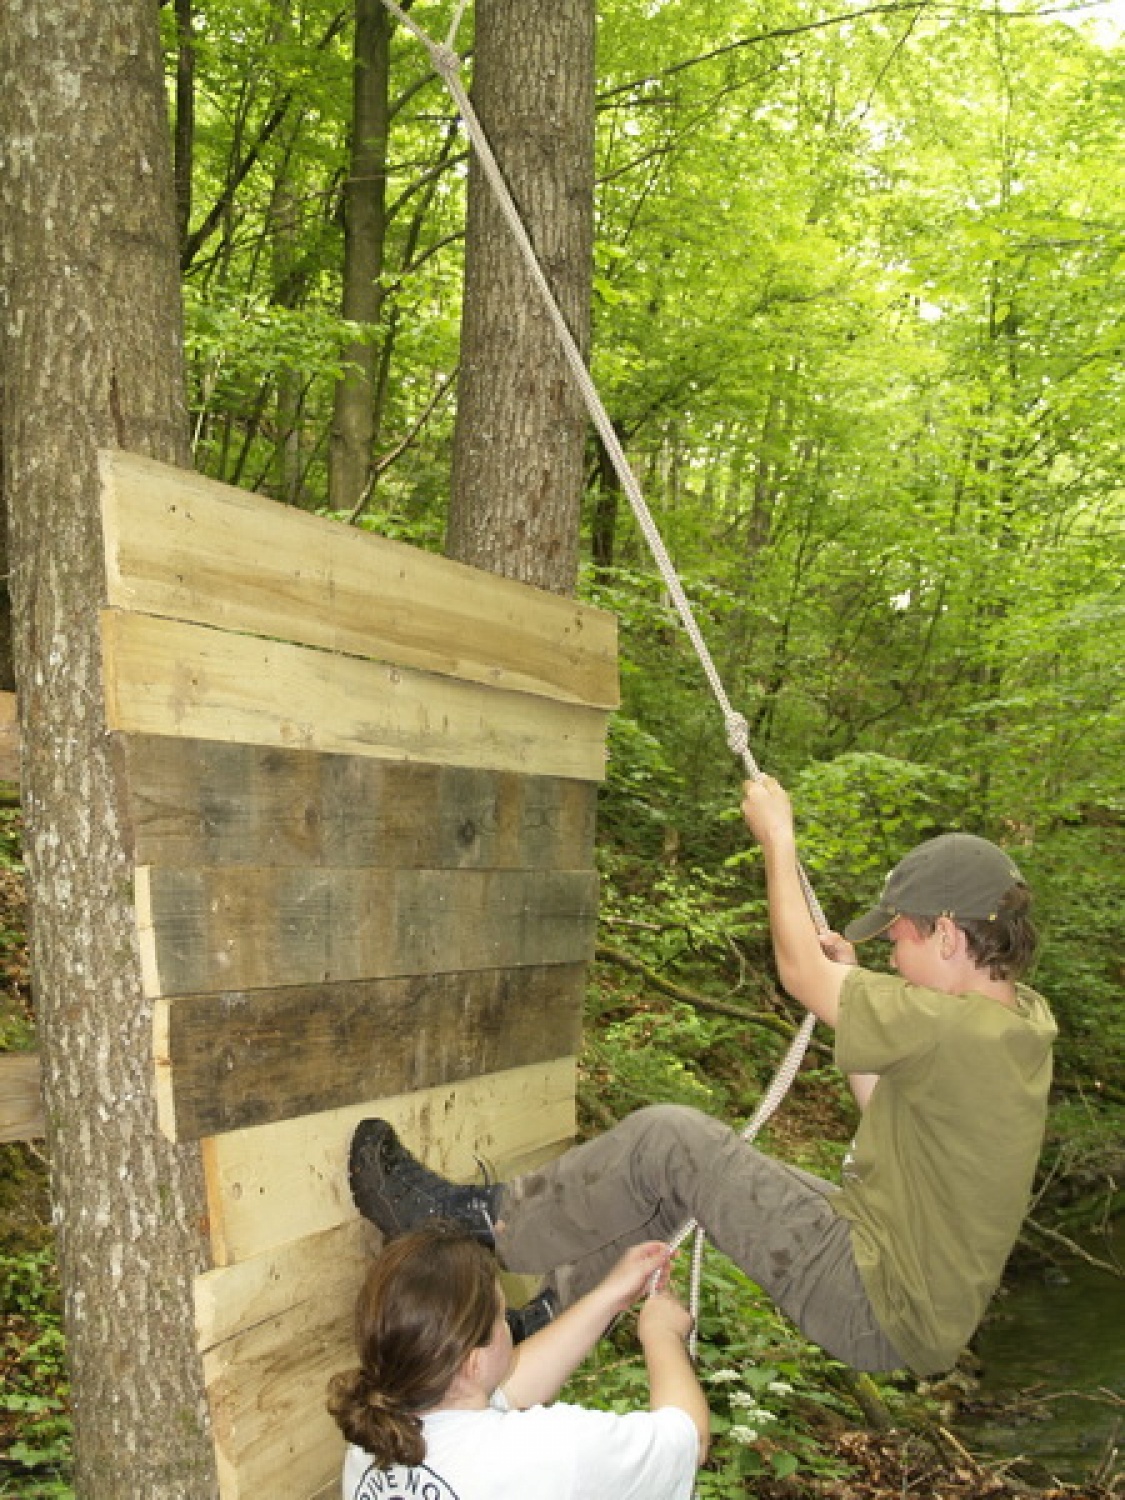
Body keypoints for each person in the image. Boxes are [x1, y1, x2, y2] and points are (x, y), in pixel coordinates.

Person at [348, 776, 1056, 1378]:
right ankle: (547, 1322)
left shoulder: (956, 1028)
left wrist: (778, 840)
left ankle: (479, 1225)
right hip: (895, 1285)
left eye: (898, 938)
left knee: (670, 1142)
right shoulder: (1017, 1023)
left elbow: (797, 972)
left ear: (946, 935)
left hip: (877, 1295)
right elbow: (887, 1106)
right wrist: (850, 983)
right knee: (666, 1185)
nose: (893, 957)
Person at [327, 1223, 707, 1500]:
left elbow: (517, 1384)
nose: (507, 1324)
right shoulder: (553, 1451)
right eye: (500, 1316)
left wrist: (612, 1294)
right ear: (473, 1362)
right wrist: (663, 1336)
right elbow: (690, 1441)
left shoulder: (375, 1438)